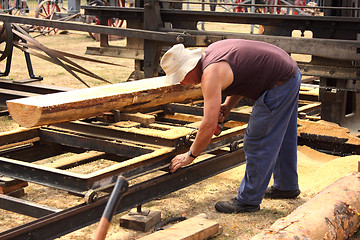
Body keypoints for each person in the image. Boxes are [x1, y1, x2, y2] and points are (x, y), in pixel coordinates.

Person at [160, 39, 301, 213]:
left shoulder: (210, 75)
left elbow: (209, 125)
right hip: (290, 74)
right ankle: (286, 186)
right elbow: (244, 78)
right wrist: (227, 106)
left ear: (188, 69)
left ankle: (248, 201)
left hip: (280, 83)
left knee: (257, 140)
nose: (181, 83)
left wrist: (190, 155)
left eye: (180, 78)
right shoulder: (212, 54)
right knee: (283, 134)